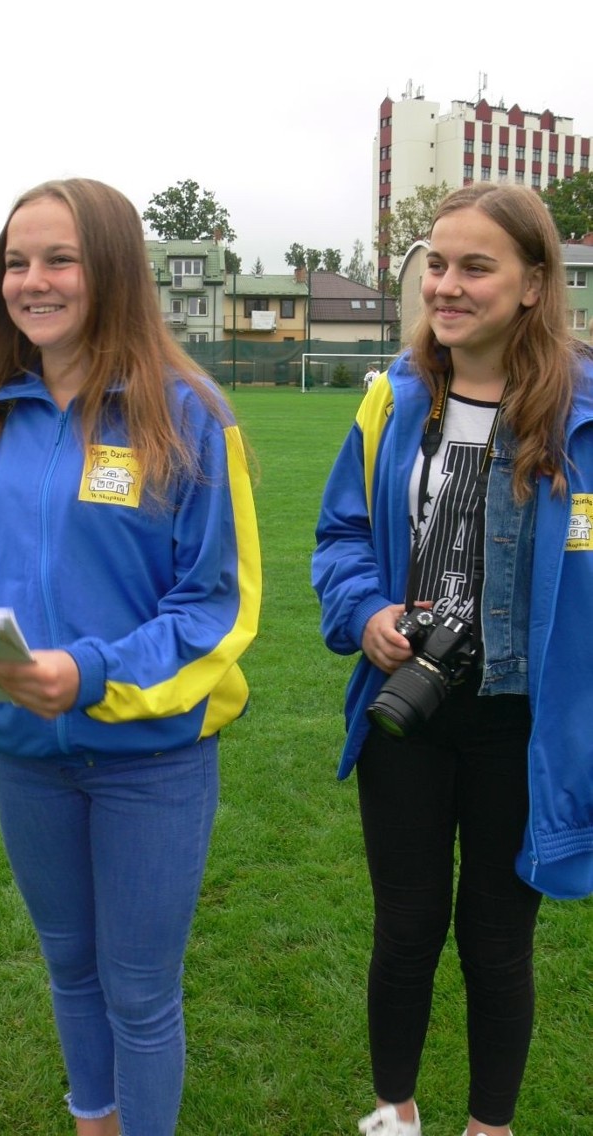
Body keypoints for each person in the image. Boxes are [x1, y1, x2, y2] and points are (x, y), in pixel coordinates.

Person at [0, 177, 262, 1136]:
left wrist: (92, 671)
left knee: (141, 991)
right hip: (23, 757)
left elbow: (218, 606)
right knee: (70, 965)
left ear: (110, 270)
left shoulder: (191, 415)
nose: (31, 280)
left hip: (150, 762)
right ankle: (92, 1121)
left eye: (58, 259)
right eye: (15, 262)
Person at [312, 182, 593, 1136]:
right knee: (404, 931)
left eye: (477, 265)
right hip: (410, 704)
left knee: (499, 942)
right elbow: (342, 535)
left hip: (525, 721)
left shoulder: (584, 412)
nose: (449, 284)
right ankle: (396, 1109)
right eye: (437, 262)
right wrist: (366, 613)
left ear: (531, 284)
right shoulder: (393, 398)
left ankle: (489, 1126)